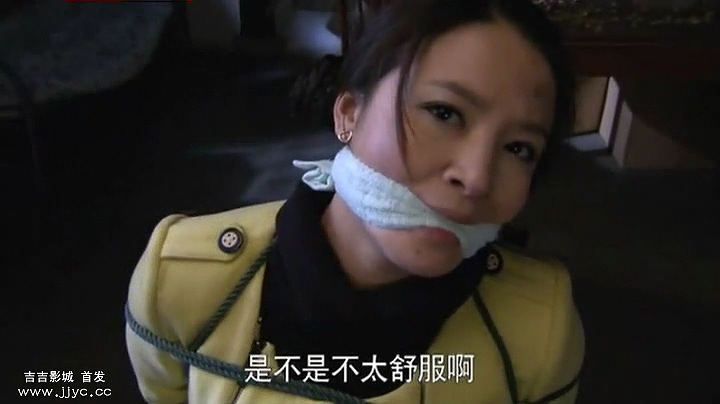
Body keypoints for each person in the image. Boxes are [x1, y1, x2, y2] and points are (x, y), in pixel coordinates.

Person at [124, 0, 585, 402]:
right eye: (444, 112)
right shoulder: (181, 278)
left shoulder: (537, 332)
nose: (477, 178)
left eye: (519, 148)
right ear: (349, 113)